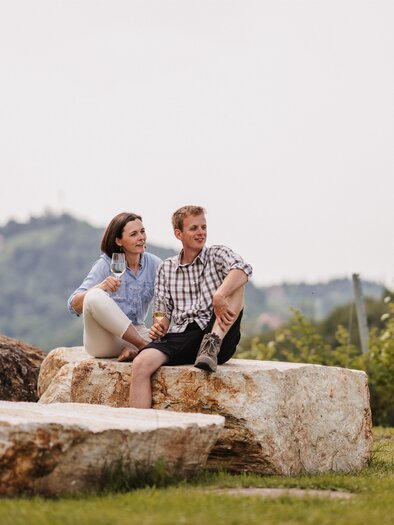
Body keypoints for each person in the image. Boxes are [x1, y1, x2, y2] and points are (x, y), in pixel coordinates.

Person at [130, 205, 252, 408]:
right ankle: (137, 431)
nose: (201, 232)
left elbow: (244, 268)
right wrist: (160, 324)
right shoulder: (166, 268)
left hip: (217, 333)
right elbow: (162, 310)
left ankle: (210, 346)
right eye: (194, 228)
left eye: (203, 227)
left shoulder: (217, 254)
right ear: (178, 233)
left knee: (237, 281)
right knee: (140, 364)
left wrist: (219, 294)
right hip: (182, 335)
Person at [67, 212, 161, 361]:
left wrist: (159, 326)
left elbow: (168, 299)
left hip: (139, 331)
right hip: (105, 339)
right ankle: (143, 347)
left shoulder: (155, 264)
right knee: (94, 296)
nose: (141, 237)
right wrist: (101, 286)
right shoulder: (105, 264)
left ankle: (134, 350)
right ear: (119, 241)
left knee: (178, 339)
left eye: (142, 231)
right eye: (134, 234)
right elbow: (73, 305)